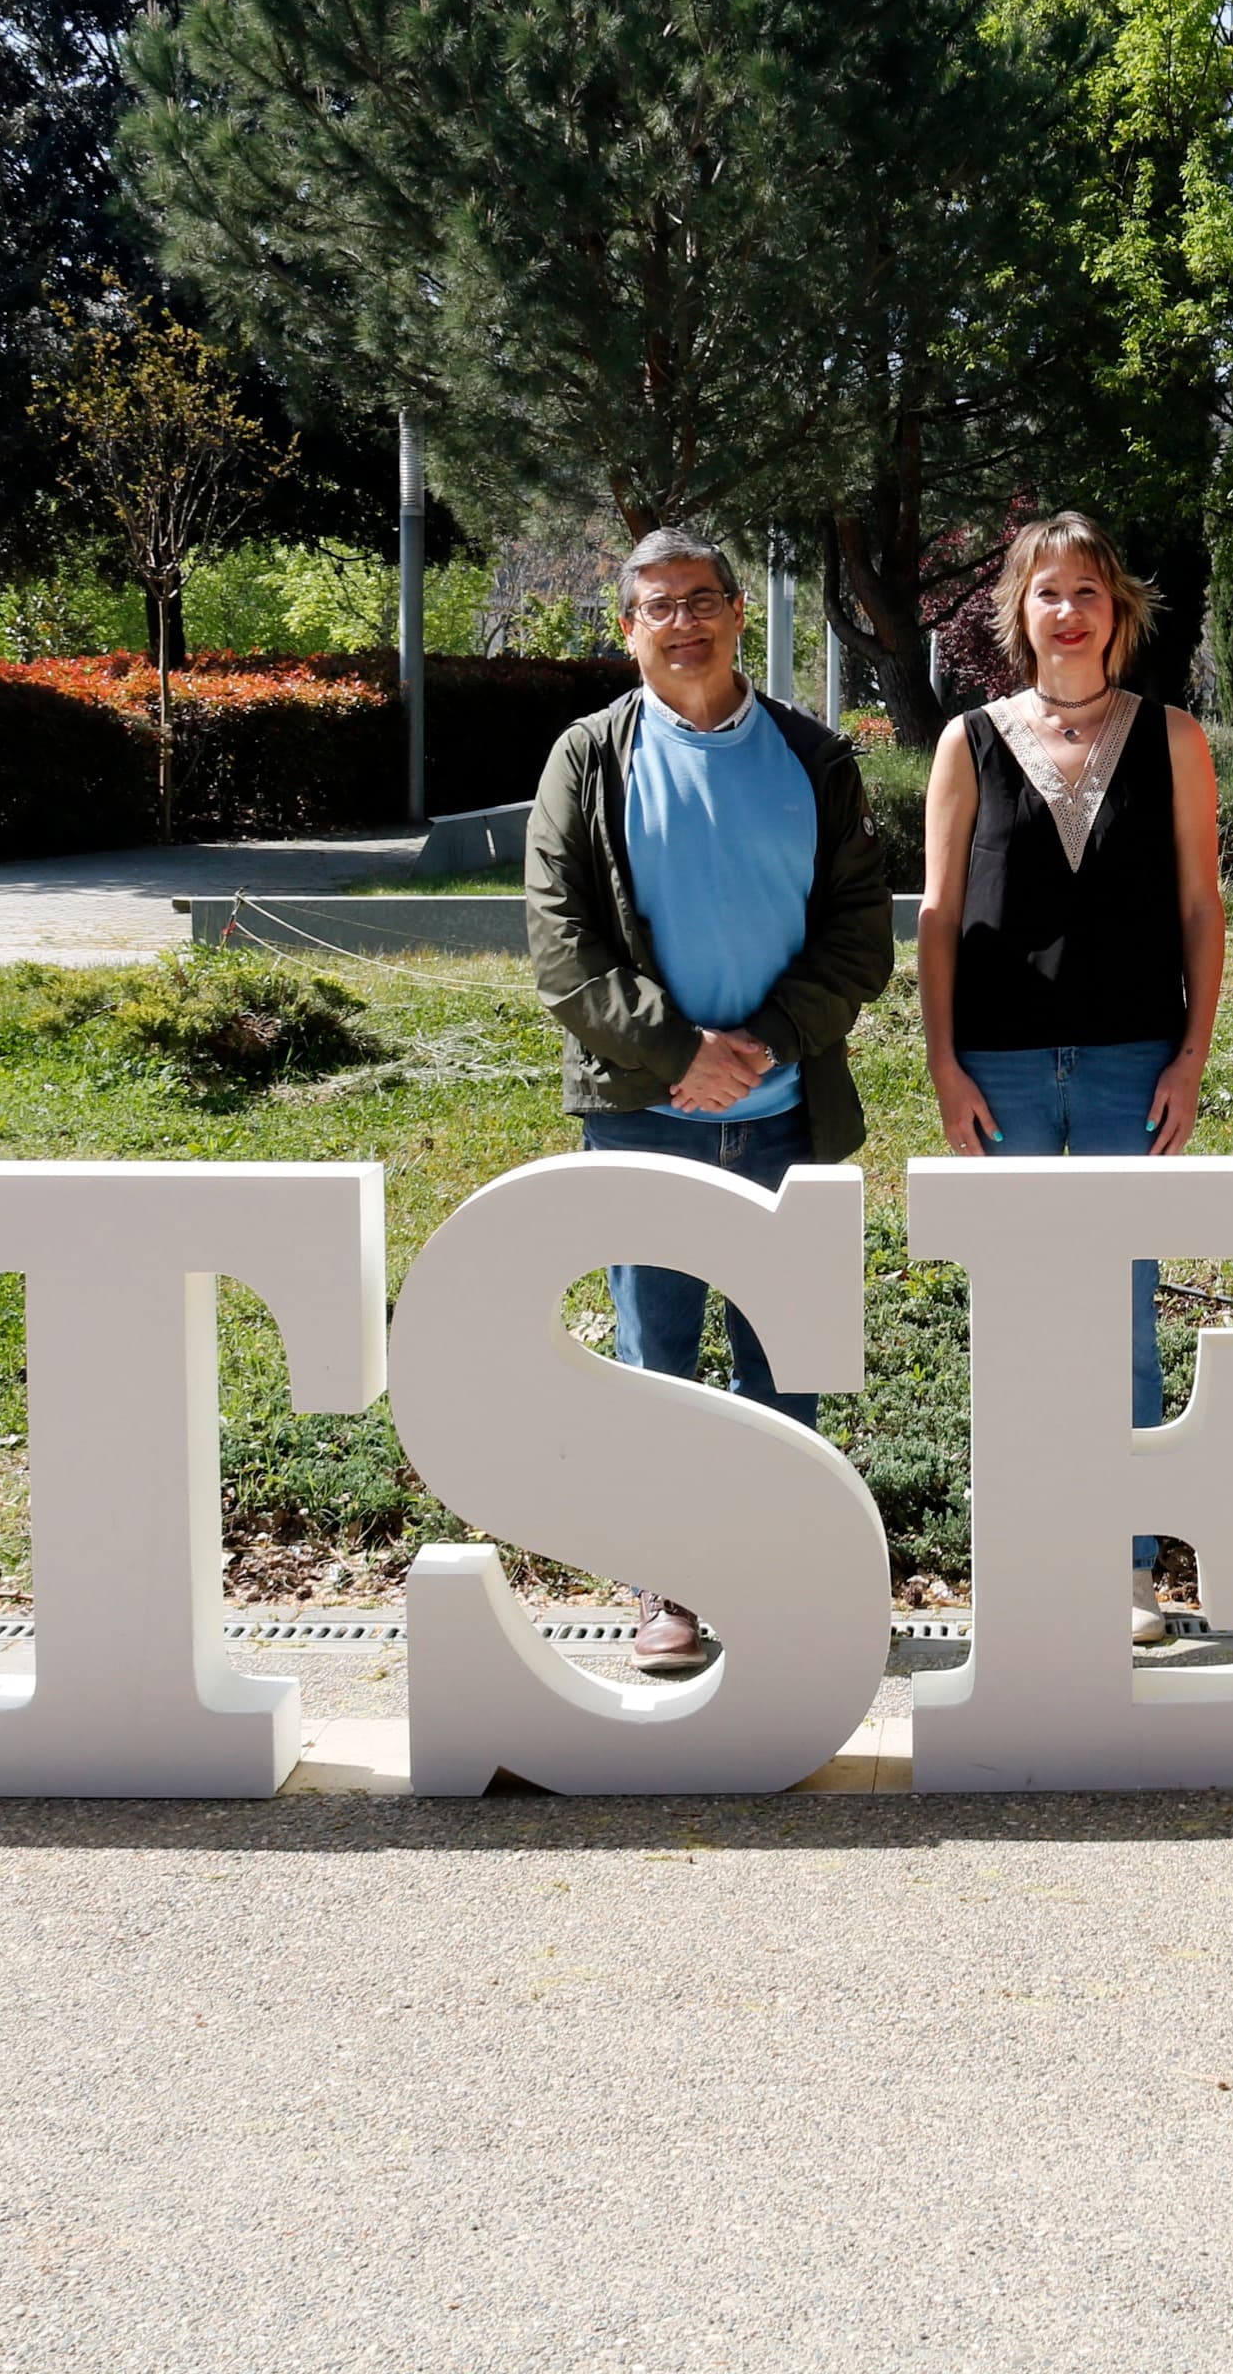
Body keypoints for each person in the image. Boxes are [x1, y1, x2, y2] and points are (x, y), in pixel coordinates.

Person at [525, 525, 894, 1671]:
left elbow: (856, 936)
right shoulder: (586, 759)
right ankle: (668, 1592)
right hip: (644, 1115)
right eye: (656, 605)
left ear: (738, 612)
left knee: (789, 1364)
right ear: (626, 627)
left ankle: (788, 1580)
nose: (681, 621)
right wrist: (679, 1053)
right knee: (657, 1362)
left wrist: (768, 1039)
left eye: (701, 599)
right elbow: (561, 945)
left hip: (790, 1113)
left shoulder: (813, 756)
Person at [917, 511, 1228, 1646]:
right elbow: (941, 913)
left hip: (1125, 1062)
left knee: (1121, 1321)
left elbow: (1202, 907)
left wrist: (1190, 1057)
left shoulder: (1174, 739)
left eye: (1087, 589)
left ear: (1118, 609)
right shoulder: (968, 742)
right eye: (1047, 590)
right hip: (995, 1063)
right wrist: (943, 1062)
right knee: (1011, 1318)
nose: (1068, 609)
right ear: (1019, 608)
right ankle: (1019, 1555)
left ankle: (1127, 1567)